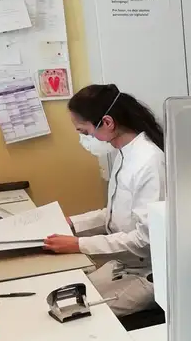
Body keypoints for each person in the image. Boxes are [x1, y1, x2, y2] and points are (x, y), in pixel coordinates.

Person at [43, 84, 166, 317]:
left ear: (107, 122)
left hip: (148, 272)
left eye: (85, 132)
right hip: (124, 264)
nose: (85, 139)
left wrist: (78, 244)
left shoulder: (150, 162)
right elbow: (114, 213)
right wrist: (72, 224)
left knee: (78, 315)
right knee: (61, 297)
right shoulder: (125, 153)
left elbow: (145, 239)